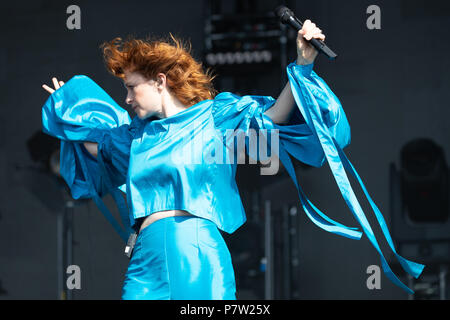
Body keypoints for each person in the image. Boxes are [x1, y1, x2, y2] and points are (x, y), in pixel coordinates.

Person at [41, 19, 424, 299]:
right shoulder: (135, 137)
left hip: (193, 246)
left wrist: (303, 65)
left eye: (130, 88)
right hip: (144, 256)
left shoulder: (214, 117)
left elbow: (273, 116)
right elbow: (95, 145)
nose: (125, 99)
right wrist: (65, 107)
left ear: (159, 81)